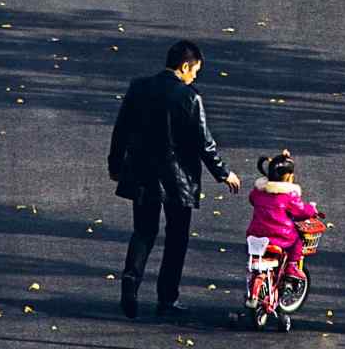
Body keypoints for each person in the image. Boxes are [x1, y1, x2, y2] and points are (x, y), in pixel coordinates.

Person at [108, 39, 241, 319]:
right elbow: (204, 143)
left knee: (143, 231)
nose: (195, 77)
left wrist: (115, 165)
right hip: (176, 179)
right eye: (195, 71)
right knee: (176, 238)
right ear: (184, 67)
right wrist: (224, 173)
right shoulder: (189, 97)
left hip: (142, 173)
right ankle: (166, 298)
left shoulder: (139, 87)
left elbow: (121, 130)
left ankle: (130, 284)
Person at [246, 149, 321, 285]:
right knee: (297, 241)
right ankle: (292, 266)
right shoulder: (288, 195)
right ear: (289, 177)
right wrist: (312, 209)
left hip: (256, 234)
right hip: (280, 237)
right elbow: (301, 211)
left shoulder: (259, 192)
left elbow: (252, 199)